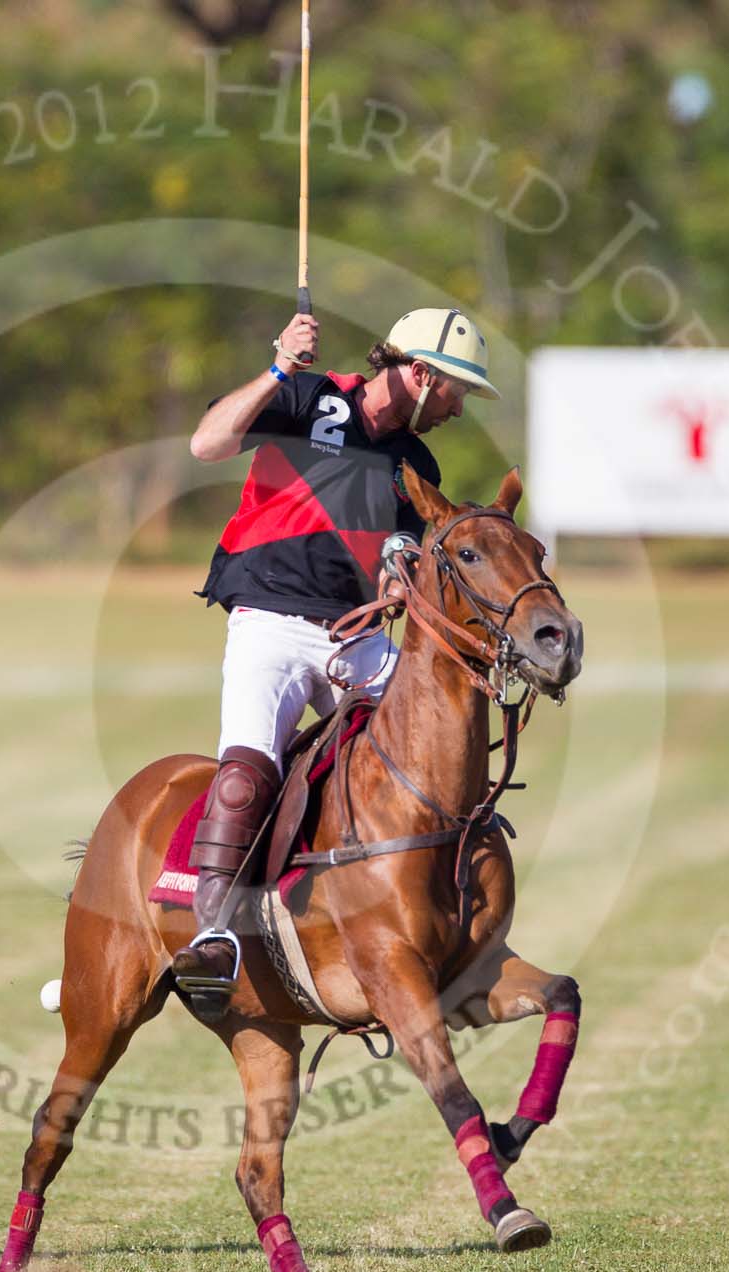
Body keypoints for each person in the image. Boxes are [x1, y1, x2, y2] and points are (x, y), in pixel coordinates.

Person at [171, 306, 500, 1008]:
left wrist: (393, 590)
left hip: (354, 637)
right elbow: (207, 443)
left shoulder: (415, 463)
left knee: (431, 736)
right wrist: (279, 366)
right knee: (246, 769)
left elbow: (398, 559)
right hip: (273, 622)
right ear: (418, 373)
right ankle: (212, 933)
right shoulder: (303, 396)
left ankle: (427, 910)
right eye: (456, 390)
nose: (458, 407)